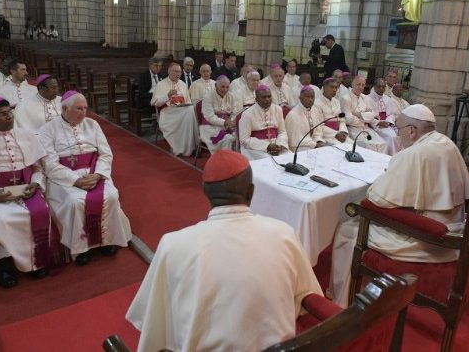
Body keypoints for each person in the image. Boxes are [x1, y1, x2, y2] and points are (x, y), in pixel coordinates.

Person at [126, 150, 322, 352]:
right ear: (251, 191)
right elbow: (306, 299)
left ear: (205, 191)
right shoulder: (284, 233)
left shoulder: (173, 244)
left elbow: (154, 321)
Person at [330, 104, 469, 307]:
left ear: (412, 130)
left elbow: (378, 200)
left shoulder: (412, 154)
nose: (398, 135)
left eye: (399, 129)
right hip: (455, 228)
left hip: (426, 239)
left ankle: (343, 302)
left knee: (348, 227)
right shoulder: (446, 143)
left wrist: (380, 185)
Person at [0, 96, 62, 288]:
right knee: (1, 221)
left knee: (40, 212)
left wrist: (35, 183)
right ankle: (4, 267)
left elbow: (38, 169)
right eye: (3, 114)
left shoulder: (27, 136)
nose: (9, 117)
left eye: (10, 112)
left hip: (26, 189)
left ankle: (38, 260)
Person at [38, 91, 132, 265]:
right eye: (79, 109)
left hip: (94, 172)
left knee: (111, 196)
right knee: (75, 201)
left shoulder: (92, 124)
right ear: (65, 108)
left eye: (85, 108)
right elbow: (49, 164)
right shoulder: (47, 129)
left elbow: (105, 153)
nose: (84, 113)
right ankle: (82, 247)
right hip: (64, 177)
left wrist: (98, 174)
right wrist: (75, 180)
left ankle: (107, 240)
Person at [151, 63, 199, 156]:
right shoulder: (161, 84)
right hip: (168, 113)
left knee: (191, 110)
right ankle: (188, 147)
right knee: (190, 112)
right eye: (176, 71)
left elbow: (188, 101)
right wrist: (167, 95)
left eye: (180, 72)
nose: (178, 74)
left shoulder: (183, 84)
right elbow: (155, 103)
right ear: (169, 72)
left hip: (183, 111)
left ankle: (190, 146)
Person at [339, 76, 388, 154]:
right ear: (352, 84)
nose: (360, 87)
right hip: (353, 129)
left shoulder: (365, 97)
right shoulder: (346, 98)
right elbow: (348, 119)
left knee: (383, 144)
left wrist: (359, 115)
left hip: (366, 128)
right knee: (368, 145)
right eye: (358, 84)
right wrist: (365, 118)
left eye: (363, 85)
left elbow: (372, 115)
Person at [239, 85, 289, 160]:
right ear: (257, 99)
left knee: (290, 158)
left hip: (276, 145)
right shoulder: (247, 114)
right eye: (264, 97)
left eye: (269, 96)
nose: (267, 99)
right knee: (269, 161)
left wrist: (280, 145)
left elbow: (282, 131)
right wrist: (267, 146)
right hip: (256, 149)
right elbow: (244, 139)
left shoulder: (277, 109)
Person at [200, 76, 242, 152]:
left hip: (228, 126)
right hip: (210, 127)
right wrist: (225, 123)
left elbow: (235, 112)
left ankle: (235, 161)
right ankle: (224, 161)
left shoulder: (231, 96)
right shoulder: (208, 97)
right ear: (216, 85)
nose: (225, 90)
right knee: (229, 139)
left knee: (240, 136)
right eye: (222, 87)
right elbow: (210, 117)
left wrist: (231, 122)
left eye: (227, 87)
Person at [367, 78, 402, 155]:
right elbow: (367, 116)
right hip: (375, 126)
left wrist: (388, 122)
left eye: (383, 87)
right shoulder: (367, 98)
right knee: (392, 137)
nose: (381, 89)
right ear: (374, 87)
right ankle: (391, 156)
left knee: (401, 134)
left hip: (387, 124)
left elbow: (392, 114)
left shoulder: (388, 99)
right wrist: (379, 122)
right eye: (379, 86)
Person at [285, 86, 326, 151]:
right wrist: (314, 145)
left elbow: (318, 129)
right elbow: (295, 140)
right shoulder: (293, 115)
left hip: (313, 143)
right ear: (300, 98)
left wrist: (318, 140)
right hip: (298, 147)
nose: (310, 99)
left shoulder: (315, 110)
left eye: (312, 97)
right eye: (307, 97)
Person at [314, 78, 351, 145]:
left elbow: (341, 120)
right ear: (324, 88)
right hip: (327, 135)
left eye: (336, 87)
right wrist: (336, 134)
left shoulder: (336, 101)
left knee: (353, 145)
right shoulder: (316, 103)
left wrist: (342, 131)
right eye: (332, 87)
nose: (334, 90)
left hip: (339, 132)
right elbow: (319, 125)